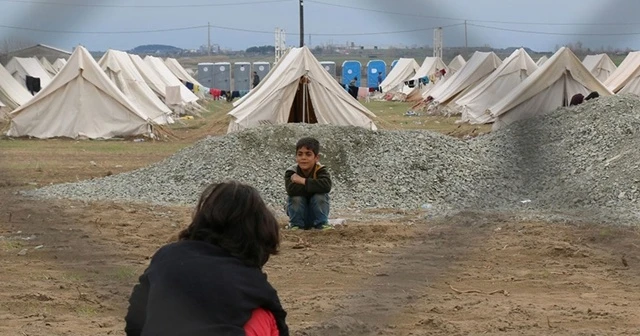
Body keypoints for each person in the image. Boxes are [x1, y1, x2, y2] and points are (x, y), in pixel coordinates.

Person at [124, 181, 289, 336]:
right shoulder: (251, 281)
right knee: (263, 315)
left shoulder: (166, 256)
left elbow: (135, 319)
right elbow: (280, 324)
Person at [284, 137, 332, 230]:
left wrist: (303, 181)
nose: (303, 158)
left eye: (308, 154)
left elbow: (326, 186)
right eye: (300, 154)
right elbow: (291, 190)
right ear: (296, 157)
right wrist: (315, 187)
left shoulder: (320, 170)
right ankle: (295, 225)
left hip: (316, 214)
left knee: (320, 197)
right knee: (296, 198)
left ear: (316, 158)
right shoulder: (291, 171)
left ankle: (322, 224)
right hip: (298, 213)